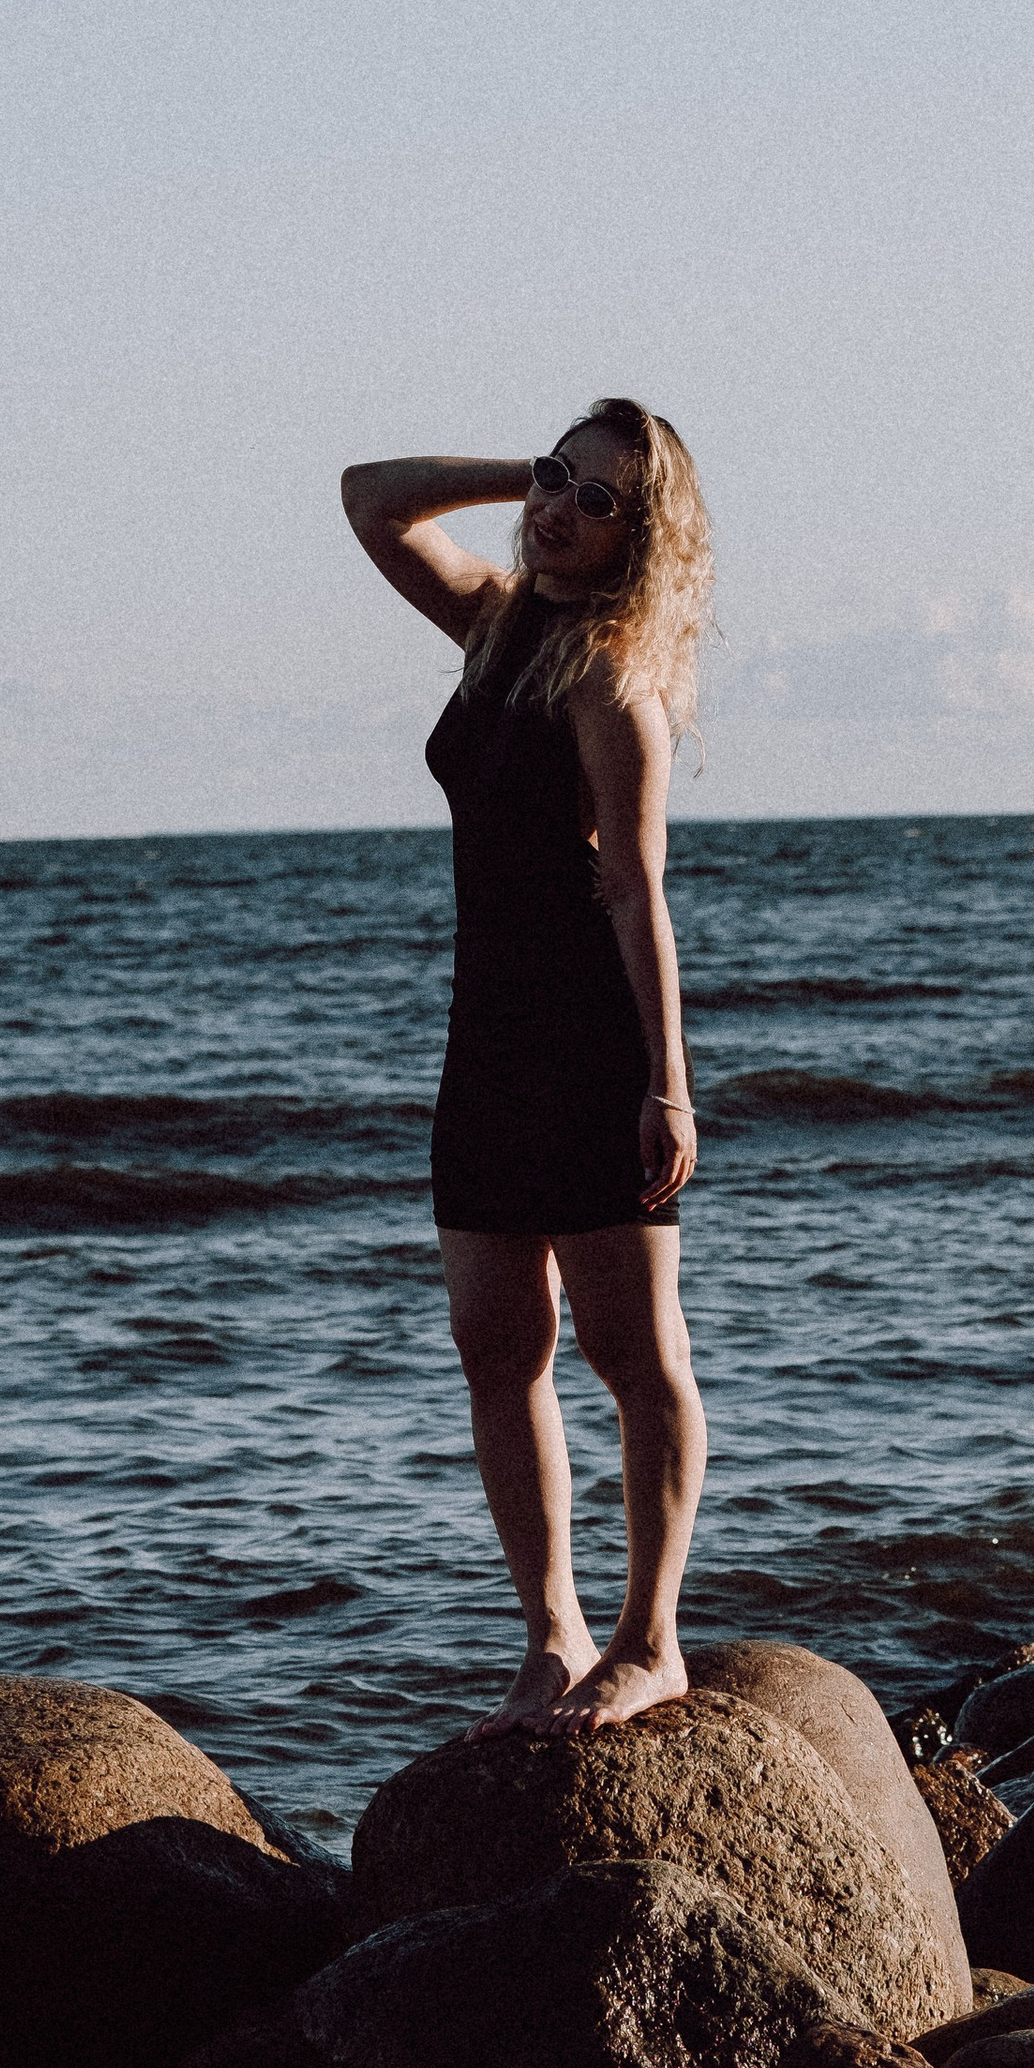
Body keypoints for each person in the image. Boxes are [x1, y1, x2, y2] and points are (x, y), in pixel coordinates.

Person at [340, 403, 715, 1732]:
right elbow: (371, 495)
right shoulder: (497, 629)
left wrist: (666, 1083)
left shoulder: (611, 683)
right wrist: (526, 472)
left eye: (598, 499)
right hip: (485, 1037)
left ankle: (652, 1639)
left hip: (586, 1041)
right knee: (497, 1346)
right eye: (557, 479)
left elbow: (636, 893)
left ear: (640, 538)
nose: (557, 508)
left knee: (632, 1351)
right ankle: (553, 1637)